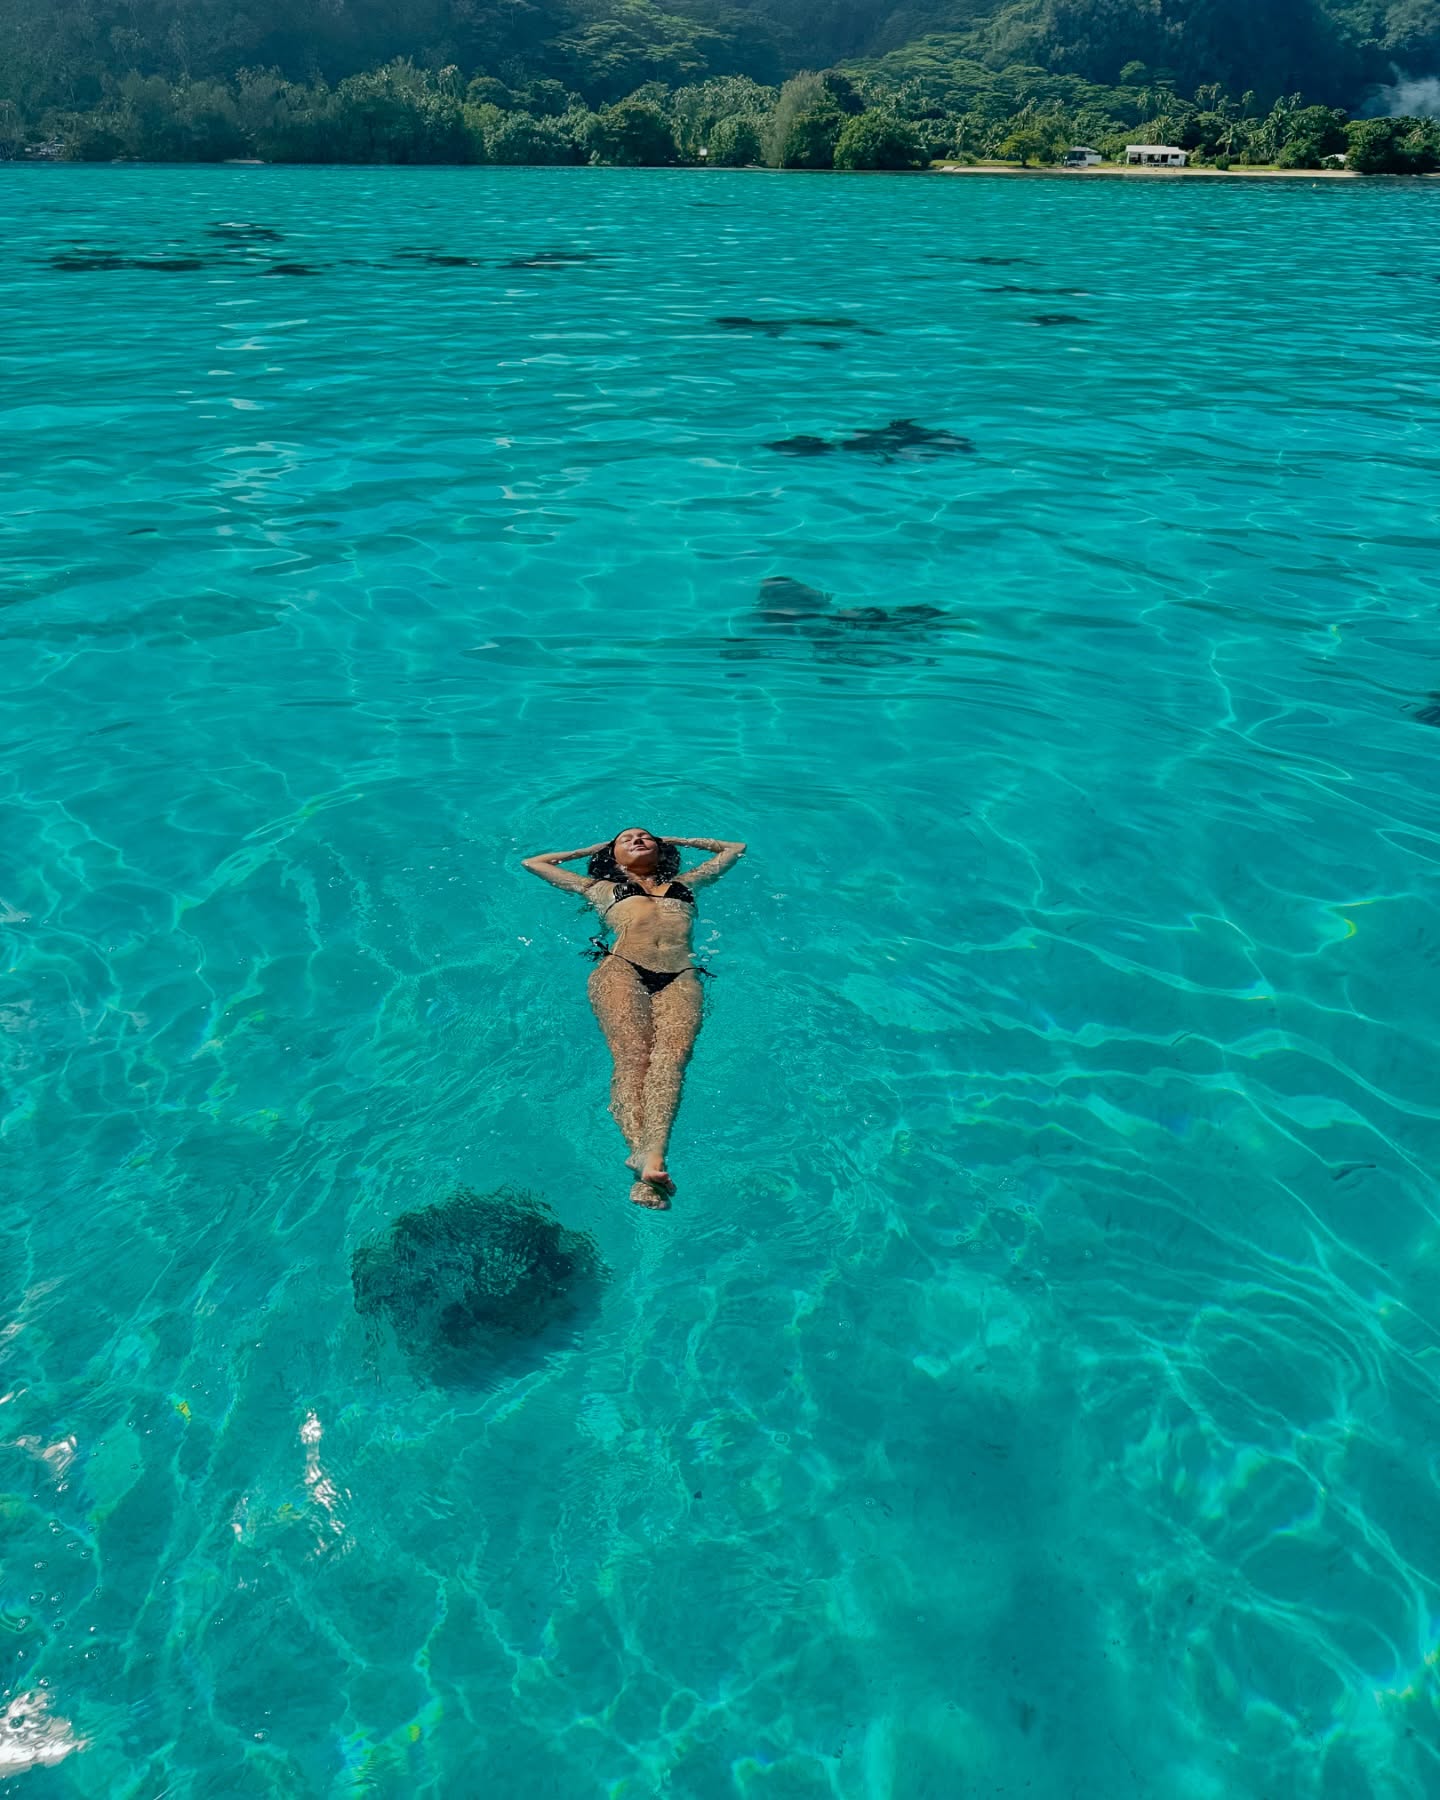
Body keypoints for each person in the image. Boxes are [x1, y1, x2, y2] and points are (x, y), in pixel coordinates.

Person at [521, 827, 746, 1210]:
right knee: (633, 1059)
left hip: (681, 975)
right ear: (612, 855)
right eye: (626, 839)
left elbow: (734, 848)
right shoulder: (599, 888)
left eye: (645, 837)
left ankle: (652, 1156)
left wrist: (681, 841)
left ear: (660, 849)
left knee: (671, 1061)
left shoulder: (687, 883)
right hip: (623, 969)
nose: (638, 839)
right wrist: (592, 848)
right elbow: (534, 863)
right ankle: (641, 1155)